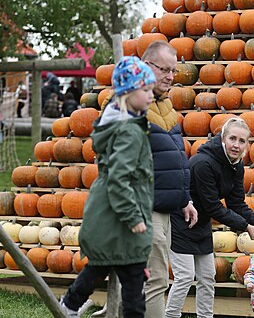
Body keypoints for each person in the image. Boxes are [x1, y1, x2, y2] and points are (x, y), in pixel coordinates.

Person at [60, 56, 156, 318]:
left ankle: (69, 305)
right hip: (122, 221)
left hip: (109, 219)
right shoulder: (129, 131)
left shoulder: (120, 125)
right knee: (134, 285)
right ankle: (69, 305)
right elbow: (118, 178)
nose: (151, 95)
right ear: (127, 93)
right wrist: (133, 216)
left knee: (100, 268)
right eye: (145, 90)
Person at [166, 117, 254, 318]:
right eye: (232, 139)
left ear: (247, 144)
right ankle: (170, 316)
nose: (236, 145)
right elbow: (213, 207)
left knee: (207, 277)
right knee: (184, 276)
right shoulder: (203, 163)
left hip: (201, 223)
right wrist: (246, 227)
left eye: (242, 141)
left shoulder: (236, 165)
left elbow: (237, 204)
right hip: (180, 221)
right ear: (222, 138)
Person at [141, 41, 198, 318]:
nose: (170, 77)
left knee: (154, 279)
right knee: (154, 281)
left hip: (164, 206)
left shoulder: (165, 105)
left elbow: (174, 157)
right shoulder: (131, 104)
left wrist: (184, 197)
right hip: (143, 206)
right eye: (164, 69)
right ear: (147, 66)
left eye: (173, 71)